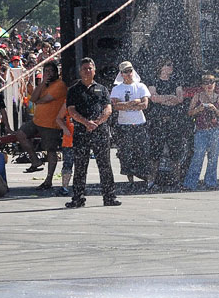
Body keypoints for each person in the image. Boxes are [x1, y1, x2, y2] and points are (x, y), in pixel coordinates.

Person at [64, 58, 120, 208]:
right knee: (81, 166)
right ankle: (78, 198)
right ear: (80, 71)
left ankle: (109, 197)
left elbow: (108, 108)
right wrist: (86, 122)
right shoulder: (73, 90)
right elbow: (71, 110)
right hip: (81, 132)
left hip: (100, 131)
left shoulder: (102, 89)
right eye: (84, 69)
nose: (87, 71)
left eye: (90, 68)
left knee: (105, 165)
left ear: (94, 71)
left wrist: (98, 122)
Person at [147, 59, 191, 189]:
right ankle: (151, 182)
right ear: (161, 67)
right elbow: (153, 98)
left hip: (173, 121)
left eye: (172, 65)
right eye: (168, 65)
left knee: (175, 152)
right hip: (158, 121)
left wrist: (163, 98)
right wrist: (170, 98)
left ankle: (176, 181)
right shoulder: (153, 81)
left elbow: (180, 98)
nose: (171, 67)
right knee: (155, 153)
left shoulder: (175, 81)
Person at [110, 60, 152, 189]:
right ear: (121, 74)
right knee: (126, 153)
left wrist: (128, 105)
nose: (129, 74)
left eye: (130, 71)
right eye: (126, 72)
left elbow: (144, 104)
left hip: (140, 124)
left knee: (143, 152)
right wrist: (133, 103)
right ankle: (130, 181)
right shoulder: (117, 88)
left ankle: (146, 180)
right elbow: (116, 106)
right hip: (124, 125)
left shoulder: (141, 86)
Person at [26, 62, 68, 190]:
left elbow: (44, 100)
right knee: (20, 134)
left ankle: (48, 180)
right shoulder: (44, 85)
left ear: (56, 72)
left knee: (51, 151)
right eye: (46, 71)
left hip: (51, 123)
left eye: (51, 71)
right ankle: (35, 160)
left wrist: (38, 100)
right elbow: (33, 99)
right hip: (37, 121)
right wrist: (42, 83)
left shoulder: (60, 85)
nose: (48, 74)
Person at [184, 74, 219, 190]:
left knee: (213, 157)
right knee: (198, 156)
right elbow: (189, 112)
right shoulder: (197, 97)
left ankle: (211, 182)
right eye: (206, 82)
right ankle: (190, 183)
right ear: (202, 85)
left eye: (211, 82)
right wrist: (199, 109)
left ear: (215, 84)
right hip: (201, 130)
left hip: (216, 130)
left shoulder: (218, 98)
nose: (209, 85)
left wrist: (215, 109)